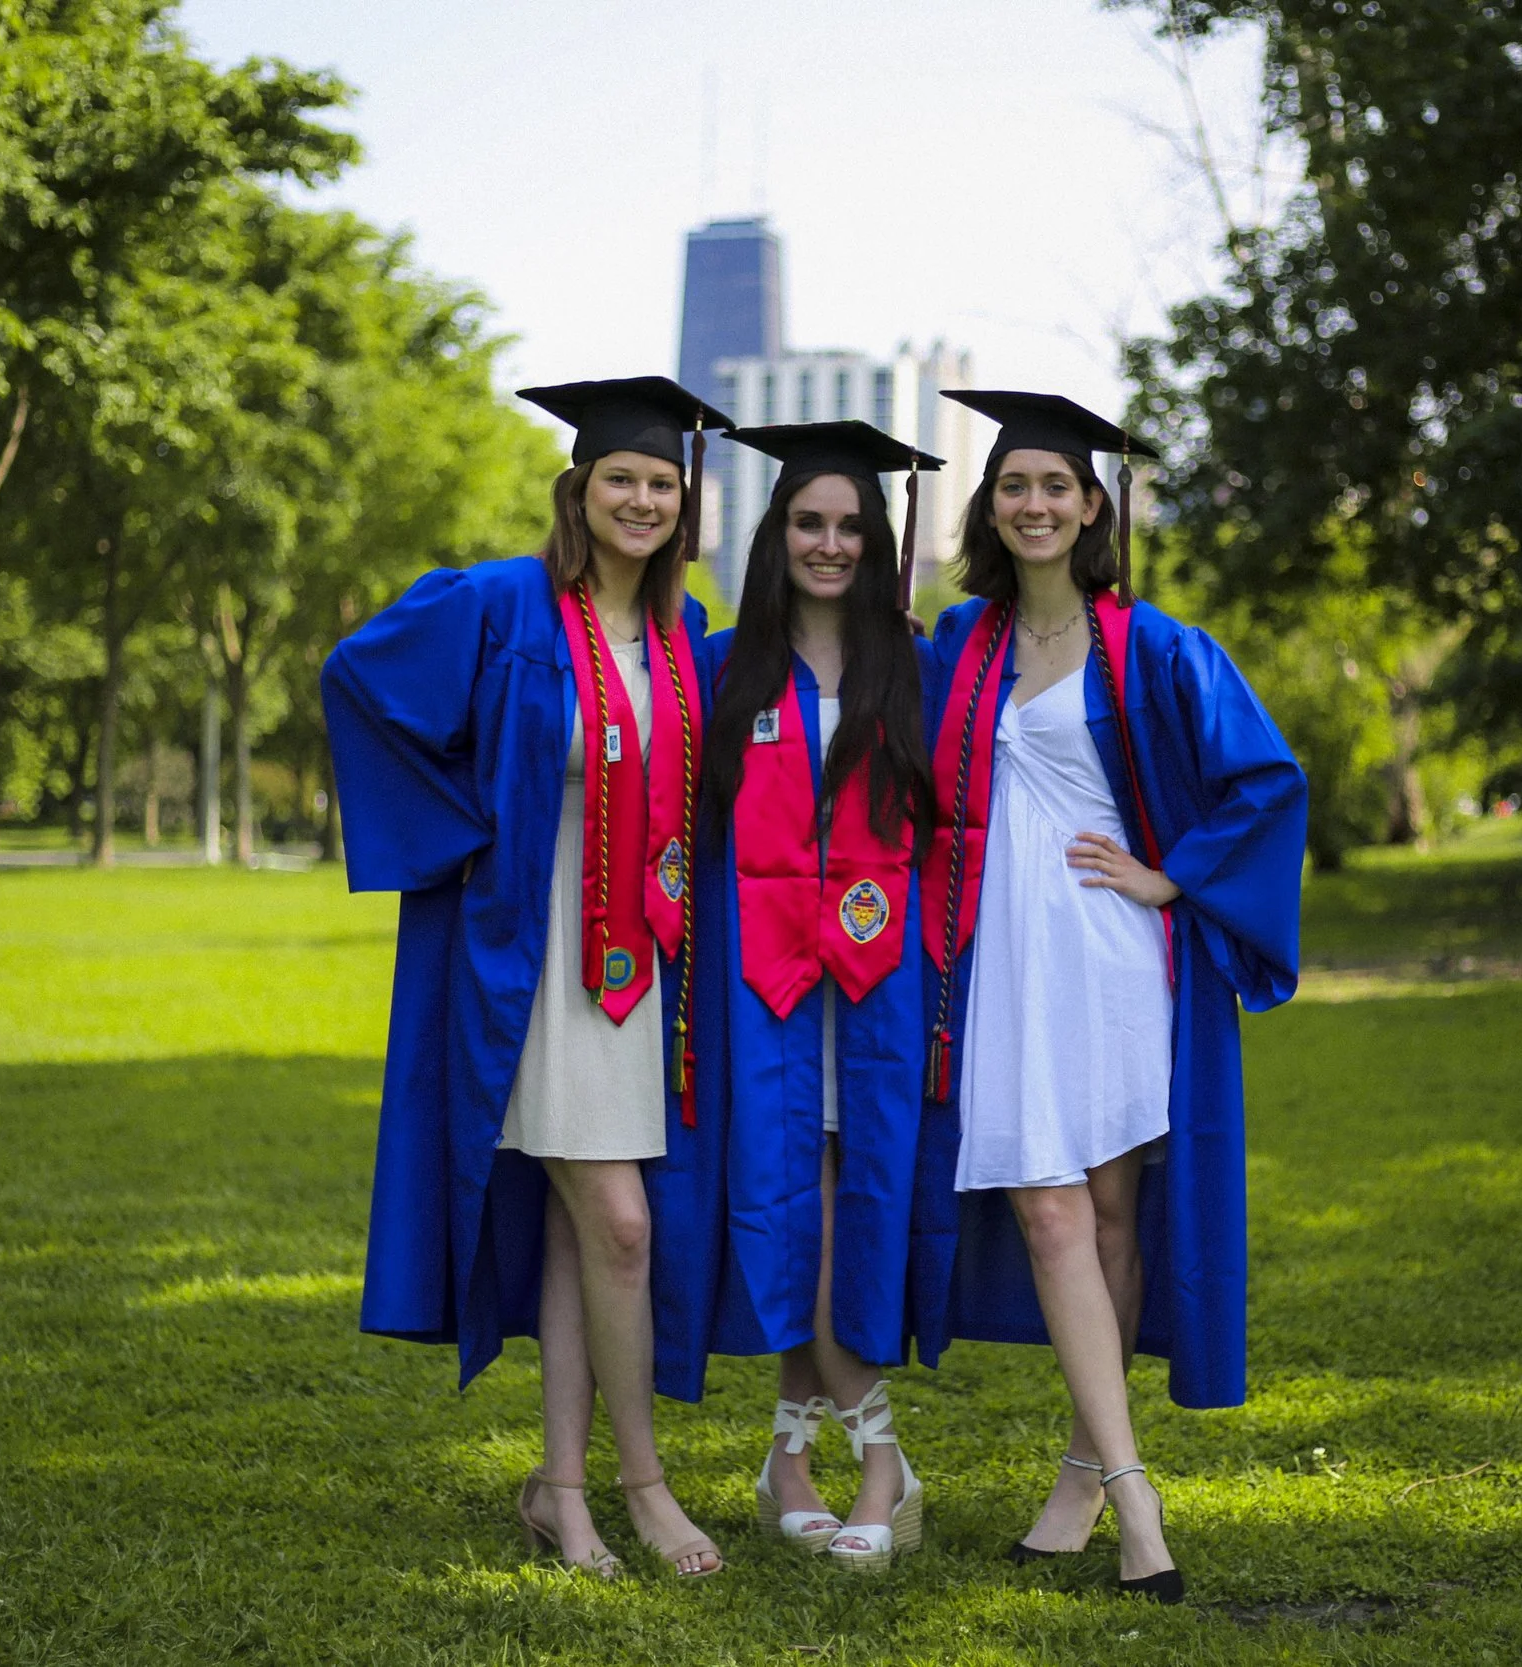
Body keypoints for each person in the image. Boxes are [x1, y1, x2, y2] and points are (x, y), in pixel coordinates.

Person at [322, 376, 733, 1580]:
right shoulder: (503, 603)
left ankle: (561, 1488)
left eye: (662, 483)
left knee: (574, 1236)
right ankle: (645, 1485)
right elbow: (359, 678)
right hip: (530, 951)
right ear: (580, 487)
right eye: (622, 478)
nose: (642, 499)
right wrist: (463, 834)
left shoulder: (681, 631)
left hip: (634, 962)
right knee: (615, 1222)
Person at [915, 390, 1309, 1603]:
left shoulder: (1157, 646)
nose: (1033, 504)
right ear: (990, 506)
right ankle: (1138, 1501)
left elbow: (1265, 782)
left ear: (1092, 507)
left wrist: (1168, 873)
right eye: (1012, 486)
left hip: (1115, 954)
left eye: (1055, 486)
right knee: (1049, 1215)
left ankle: (1082, 1480)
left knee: (1111, 1213)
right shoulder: (958, 643)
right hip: (1002, 959)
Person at [698, 422, 943, 1572]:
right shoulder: (725, 668)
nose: (830, 543)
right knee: (799, 1205)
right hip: (770, 994)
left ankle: (806, 1454)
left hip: (884, 994)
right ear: (775, 531)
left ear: (877, 539)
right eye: (809, 521)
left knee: (848, 1212)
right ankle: (865, 1459)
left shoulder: (918, 666)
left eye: (851, 525)